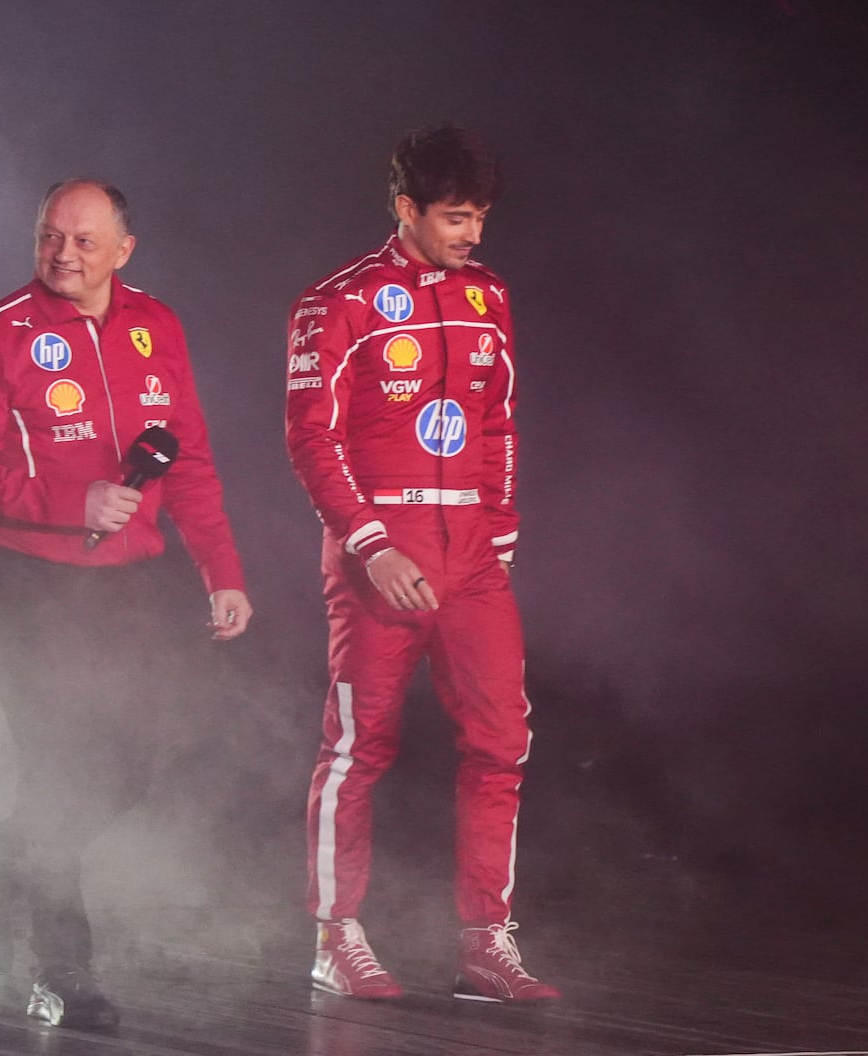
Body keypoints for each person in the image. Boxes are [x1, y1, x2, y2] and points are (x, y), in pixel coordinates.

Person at [0, 179, 252, 1029]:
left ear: (123, 250)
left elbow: (187, 461)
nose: (62, 254)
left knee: (140, 760)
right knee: (58, 769)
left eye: (82, 240)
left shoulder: (160, 326)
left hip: (132, 590)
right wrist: (68, 504)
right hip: (28, 587)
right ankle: (66, 973)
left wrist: (221, 571)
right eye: (49, 237)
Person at [284, 126, 559, 1004]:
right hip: (379, 561)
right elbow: (310, 440)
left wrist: (500, 538)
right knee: (359, 748)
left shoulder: (489, 296)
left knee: (502, 743)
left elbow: (500, 425)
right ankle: (336, 937)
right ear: (406, 209)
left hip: (472, 559)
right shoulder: (340, 302)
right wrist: (372, 545)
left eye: (479, 216)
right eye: (454, 216)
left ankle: (485, 942)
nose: (472, 233)